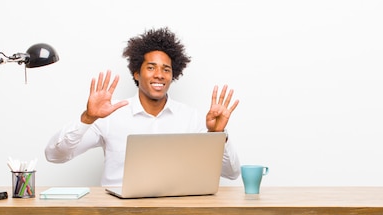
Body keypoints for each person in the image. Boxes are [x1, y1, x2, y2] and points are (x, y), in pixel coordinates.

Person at [45, 27, 241, 186]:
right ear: (136, 74)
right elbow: (54, 155)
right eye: (151, 67)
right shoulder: (110, 115)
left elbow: (231, 173)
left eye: (166, 69)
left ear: (173, 76)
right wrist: (87, 118)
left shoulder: (191, 118)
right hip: (118, 209)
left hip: (174, 209)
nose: (159, 75)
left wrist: (218, 135)